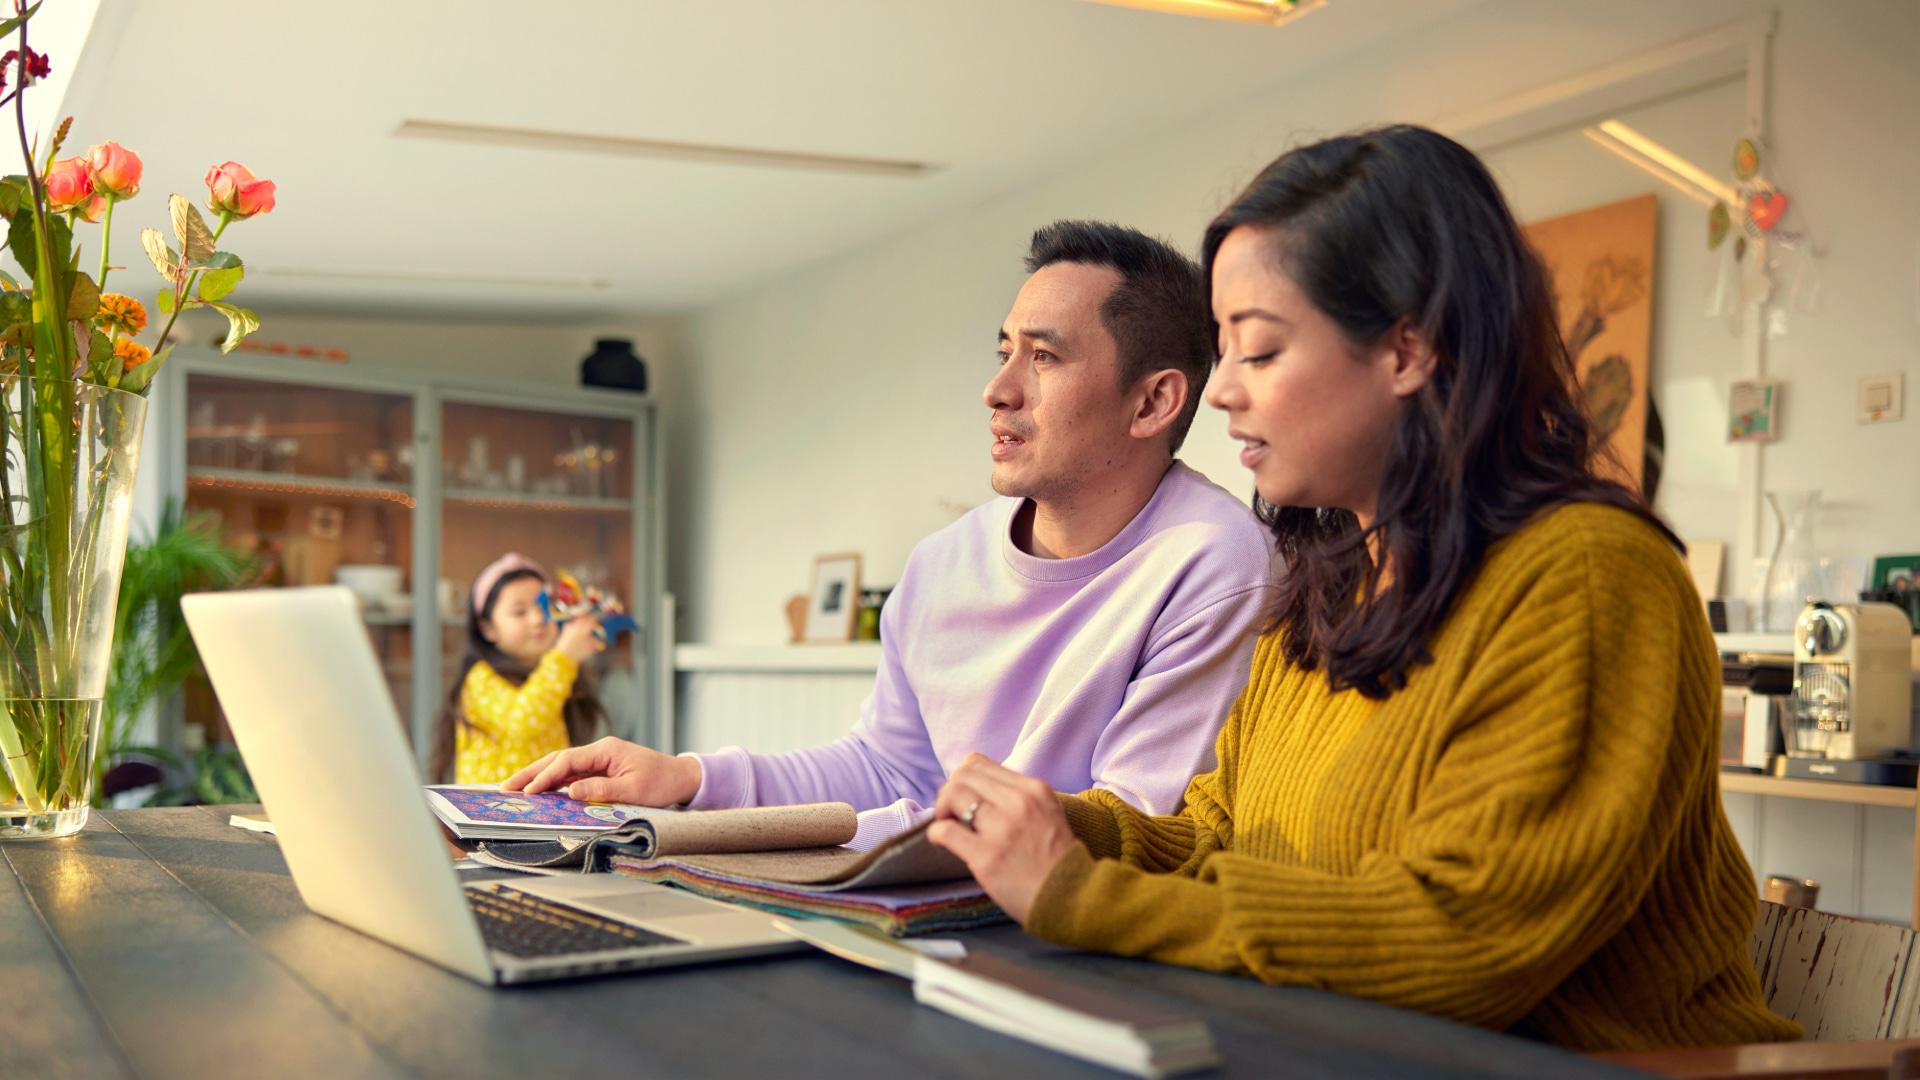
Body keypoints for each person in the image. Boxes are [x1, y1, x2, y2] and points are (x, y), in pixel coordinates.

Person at [926, 127, 1799, 1051]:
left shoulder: (1590, 578)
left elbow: (1466, 941)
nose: (1218, 391)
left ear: (1407, 350)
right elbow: (1221, 840)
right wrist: (1055, 827)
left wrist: (1077, 892)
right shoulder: (1326, 582)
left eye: (1257, 352)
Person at [505, 220, 1275, 847]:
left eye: (1044, 357)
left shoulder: (1217, 563)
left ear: (1152, 404)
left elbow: (1133, 826)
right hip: (930, 906)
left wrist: (864, 844)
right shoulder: (943, 564)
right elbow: (889, 769)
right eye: (1004, 351)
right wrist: (691, 782)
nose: (997, 390)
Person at [429, 553, 606, 784]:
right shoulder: (480, 678)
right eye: (519, 612)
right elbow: (523, 721)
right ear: (487, 628)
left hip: (541, 812)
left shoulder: (552, 673)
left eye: (544, 606)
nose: (537, 619)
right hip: (491, 815)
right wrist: (564, 657)